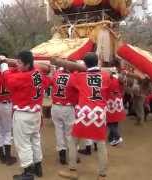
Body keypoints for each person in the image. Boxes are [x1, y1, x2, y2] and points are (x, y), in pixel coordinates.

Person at [58, 52, 113, 180]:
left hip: (84, 112)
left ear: (84, 63)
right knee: (100, 143)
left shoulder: (79, 76)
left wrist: (77, 67)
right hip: (99, 113)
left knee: (73, 141)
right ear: (98, 62)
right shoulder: (105, 76)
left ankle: (72, 170)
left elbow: (71, 82)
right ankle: (102, 175)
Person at [2, 51, 49, 180]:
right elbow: (46, 82)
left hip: (23, 114)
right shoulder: (37, 73)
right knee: (35, 140)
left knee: (23, 143)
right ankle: (38, 167)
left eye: (19, 63)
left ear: (27, 64)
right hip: (36, 114)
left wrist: (4, 67)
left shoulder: (24, 76)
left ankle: (28, 172)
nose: (17, 65)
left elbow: (8, 80)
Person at [50, 67, 77, 165]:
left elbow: (50, 82)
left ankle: (62, 154)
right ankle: (73, 155)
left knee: (59, 130)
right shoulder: (73, 77)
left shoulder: (56, 75)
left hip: (56, 106)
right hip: (68, 107)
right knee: (70, 133)